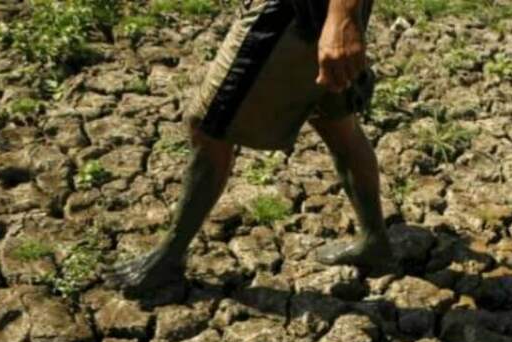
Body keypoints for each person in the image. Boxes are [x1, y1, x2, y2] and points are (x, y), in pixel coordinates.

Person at [106, 0, 395, 292]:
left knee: (208, 127)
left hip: (291, 13)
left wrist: (342, 17)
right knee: (335, 120)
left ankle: (169, 256)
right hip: (317, 16)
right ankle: (375, 241)